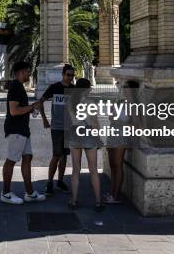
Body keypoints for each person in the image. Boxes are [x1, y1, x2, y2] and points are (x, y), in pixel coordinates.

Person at [0, 61, 46, 205]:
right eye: (27, 71)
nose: (29, 74)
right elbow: (14, 111)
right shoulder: (15, 87)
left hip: (23, 130)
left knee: (27, 157)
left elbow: (20, 109)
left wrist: (31, 108)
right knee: (11, 160)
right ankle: (6, 193)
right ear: (20, 72)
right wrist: (32, 107)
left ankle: (30, 193)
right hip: (16, 129)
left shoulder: (19, 87)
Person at [38, 64, 75, 196]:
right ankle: (49, 182)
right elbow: (40, 101)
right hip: (57, 127)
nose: (70, 78)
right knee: (56, 155)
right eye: (68, 75)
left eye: (72, 75)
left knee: (64, 156)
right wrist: (44, 119)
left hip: (69, 128)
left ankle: (60, 181)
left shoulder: (74, 89)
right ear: (63, 74)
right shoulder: (54, 87)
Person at [68, 78, 103, 212]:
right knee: (93, 169)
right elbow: (94, 123)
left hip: (74, 134)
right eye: (90, 87)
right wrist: (98, 137)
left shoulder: (71, 101)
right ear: (86, 88)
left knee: (76, 169)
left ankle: (74, 201)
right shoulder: (90, 103)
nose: (91, 89)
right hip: (88, 134)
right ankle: (98, 202)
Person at [103, 80, 137, 204]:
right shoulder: (121, 101)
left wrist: (118, 123)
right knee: (112, 165)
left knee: (118, 165)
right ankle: (112, 192)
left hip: (122, 136)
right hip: (112, 134)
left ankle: (116, 196)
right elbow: (111, 117)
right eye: (124, 86)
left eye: (127, 87)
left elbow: (135, 125)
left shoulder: (134, 105)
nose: (124, 88)